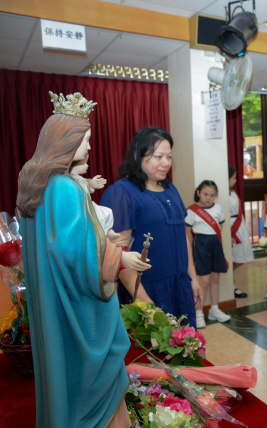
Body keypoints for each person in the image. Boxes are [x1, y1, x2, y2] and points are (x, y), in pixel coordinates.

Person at [17, 92, 150, 428]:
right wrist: (120, 255)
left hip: (54, 300)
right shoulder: (65, 187)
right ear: (67, 140)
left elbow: (63, 245)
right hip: (79, 306)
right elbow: (75, 253)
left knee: (63, 371)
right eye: (85, 139)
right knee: (95, 375)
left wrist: (109, 247)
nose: (89, 146)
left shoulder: (36, 182)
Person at [101, 126, 202, 328]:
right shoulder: (121, 192)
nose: (166, 163)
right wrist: (146, 304)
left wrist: (193, 278)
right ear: (138, 155)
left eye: (169, 157)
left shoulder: (171, 189)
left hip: (179, 286)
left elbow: (183, 237)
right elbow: (118, 253)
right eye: (158, 156)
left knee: (182, 344)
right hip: (145, 290)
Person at [185, 180, 230, 328]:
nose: (208, 198)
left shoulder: (218, 208)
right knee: (203, 281)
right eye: (205, 194)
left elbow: (219, 228)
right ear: (198, 193)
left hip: (215, 244)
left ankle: (214, 310)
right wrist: (190, 251)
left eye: (212, 195)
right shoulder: (192, 210)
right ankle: (198, 312)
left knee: (215, 278)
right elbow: (188, 234)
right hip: (201, 244)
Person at [69, 155, 116, 238]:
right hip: (83, 206)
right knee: (101, 215)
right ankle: (105, 231)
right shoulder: (73, 179)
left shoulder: (75, 178)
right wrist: (90, 184)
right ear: (76, 165)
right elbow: (82, 184)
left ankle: (107, 230)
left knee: (106, 212)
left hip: (86, 204)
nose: (87, 166)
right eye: (85, 163)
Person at [228, 166, 254, 298]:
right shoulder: (221, 194)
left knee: (241, 256)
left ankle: (230, 280)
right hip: (231, 225)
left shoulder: (232, 192)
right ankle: (231, 285)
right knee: (232, 256)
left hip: (239, 225)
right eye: (233, 178)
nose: (235, 180)